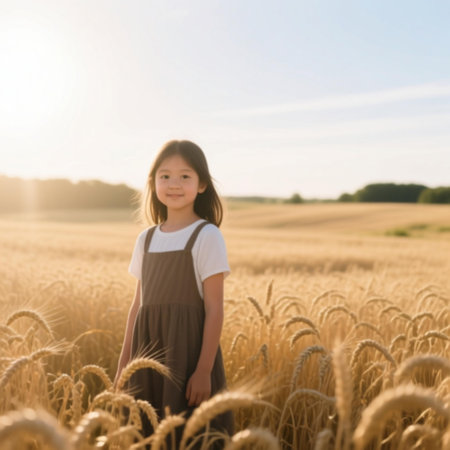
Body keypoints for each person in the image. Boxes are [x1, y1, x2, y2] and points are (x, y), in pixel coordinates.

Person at [114, 139, 233, 447]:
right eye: (164, 176)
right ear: (153, 183)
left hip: (188, 356)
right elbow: (138, 305)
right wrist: (124, 364)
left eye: (185, 176)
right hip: (147, 353)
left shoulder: (207, 235)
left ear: (202, 184)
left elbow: (216, 309)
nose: (174, 184)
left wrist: (204, 370)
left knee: (191, 437)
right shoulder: (146, 239)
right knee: (147, 435)